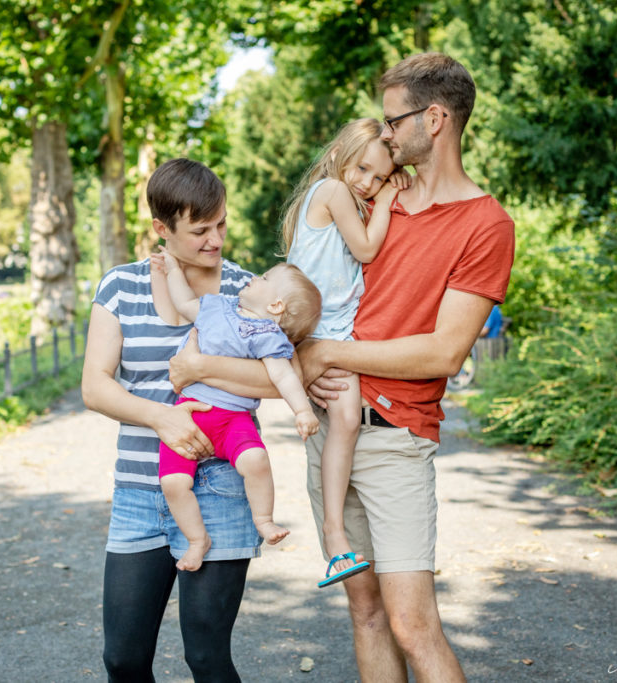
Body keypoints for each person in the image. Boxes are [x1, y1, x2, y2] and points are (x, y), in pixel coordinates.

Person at [297, 53, 516, 682]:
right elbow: (323, 285)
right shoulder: (375, 197)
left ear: (436, 118)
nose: (385, 132)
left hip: (397, 439)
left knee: (413, 626)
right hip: (334, 427)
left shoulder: (485, 225)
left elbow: (444, 352)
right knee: (364, 614)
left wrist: (327, 355)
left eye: (395, 119)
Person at [82, 158, 280, 682]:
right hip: (141, 488)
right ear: (161, 229)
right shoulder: (120, 286)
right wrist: (163, 420)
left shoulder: (246, 289)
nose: (215, 241)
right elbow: (95, 385)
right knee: (122, 660)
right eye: (199, 230)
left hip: (221, 484)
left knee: (207, 658)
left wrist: (202, 367)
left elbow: (278, 378)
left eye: (221, 225)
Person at [281, 118, 407, 587]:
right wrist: (390, 199)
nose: (369, 183)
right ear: (338, 154)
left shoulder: (344, 195)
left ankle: (335, 538)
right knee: (347, 422)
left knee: (346, 422)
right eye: (363, 169)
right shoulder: (333, 191)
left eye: (379, 177)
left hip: (331, 330)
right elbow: (368, 248)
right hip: (319, 330)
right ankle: (336, 536)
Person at [151, 246, 321, 571]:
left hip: (233, 421)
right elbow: (185, 302)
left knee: (256, 459)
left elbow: (284, 376)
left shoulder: (267, 335)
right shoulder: (217, 306)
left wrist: (302, 411)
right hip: (190, 414)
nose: (257, 276)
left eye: (266, 278)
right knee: (173, 483)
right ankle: (197, 540)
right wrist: (172, 268)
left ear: (275, 305)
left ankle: (264, 519)